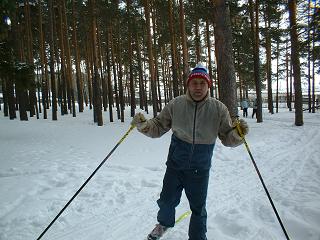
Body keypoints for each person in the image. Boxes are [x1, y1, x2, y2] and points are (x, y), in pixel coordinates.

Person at [131, 63, 249, 240]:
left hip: (200, 168)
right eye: (195, 83)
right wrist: (144, 125)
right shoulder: (176, 104)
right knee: (166, 201)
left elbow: (227, 138)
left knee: (198, 208)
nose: (198, 87)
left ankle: (198, 237)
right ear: (188, 85)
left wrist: (238, 135)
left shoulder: (219, 109)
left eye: (202, 83)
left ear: (208, 85)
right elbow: (158, 126)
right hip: (175, 164)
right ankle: (163, 224)